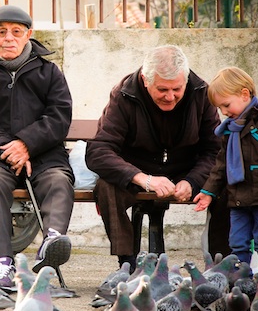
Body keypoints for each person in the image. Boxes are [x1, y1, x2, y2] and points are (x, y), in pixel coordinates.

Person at [85, 45, 229, 272]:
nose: (170, 97)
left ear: (186, 79)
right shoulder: (124, 94)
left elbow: (215, 150)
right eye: (162, 89)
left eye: (177, 89)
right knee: (106, 187)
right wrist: (142, 178)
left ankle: (222, 265)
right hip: (138, 170)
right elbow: (98, 151)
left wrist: (192, 181)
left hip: (186, 170)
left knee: (226, 185)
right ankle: (126, 264)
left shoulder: (201, 92)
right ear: (145, 80)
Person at [0, 5, 75, 288]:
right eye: (1, 32)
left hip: (43, 153)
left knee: (59, 180)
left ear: (29, 35)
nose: (8, 38)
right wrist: (8, 146)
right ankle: (1, 264)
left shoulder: (49, 72)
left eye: (16, 32)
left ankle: (51, 242)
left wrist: (26, 143)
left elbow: (59, 115)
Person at [193, 67, 258, 284]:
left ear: (244, 94)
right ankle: (242, 281)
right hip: (238, 198)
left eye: (226, 105)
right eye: (220, 107)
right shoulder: (230, 130)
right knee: (237, 242)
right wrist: (208, 192)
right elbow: (220, 165)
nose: (223, 112)